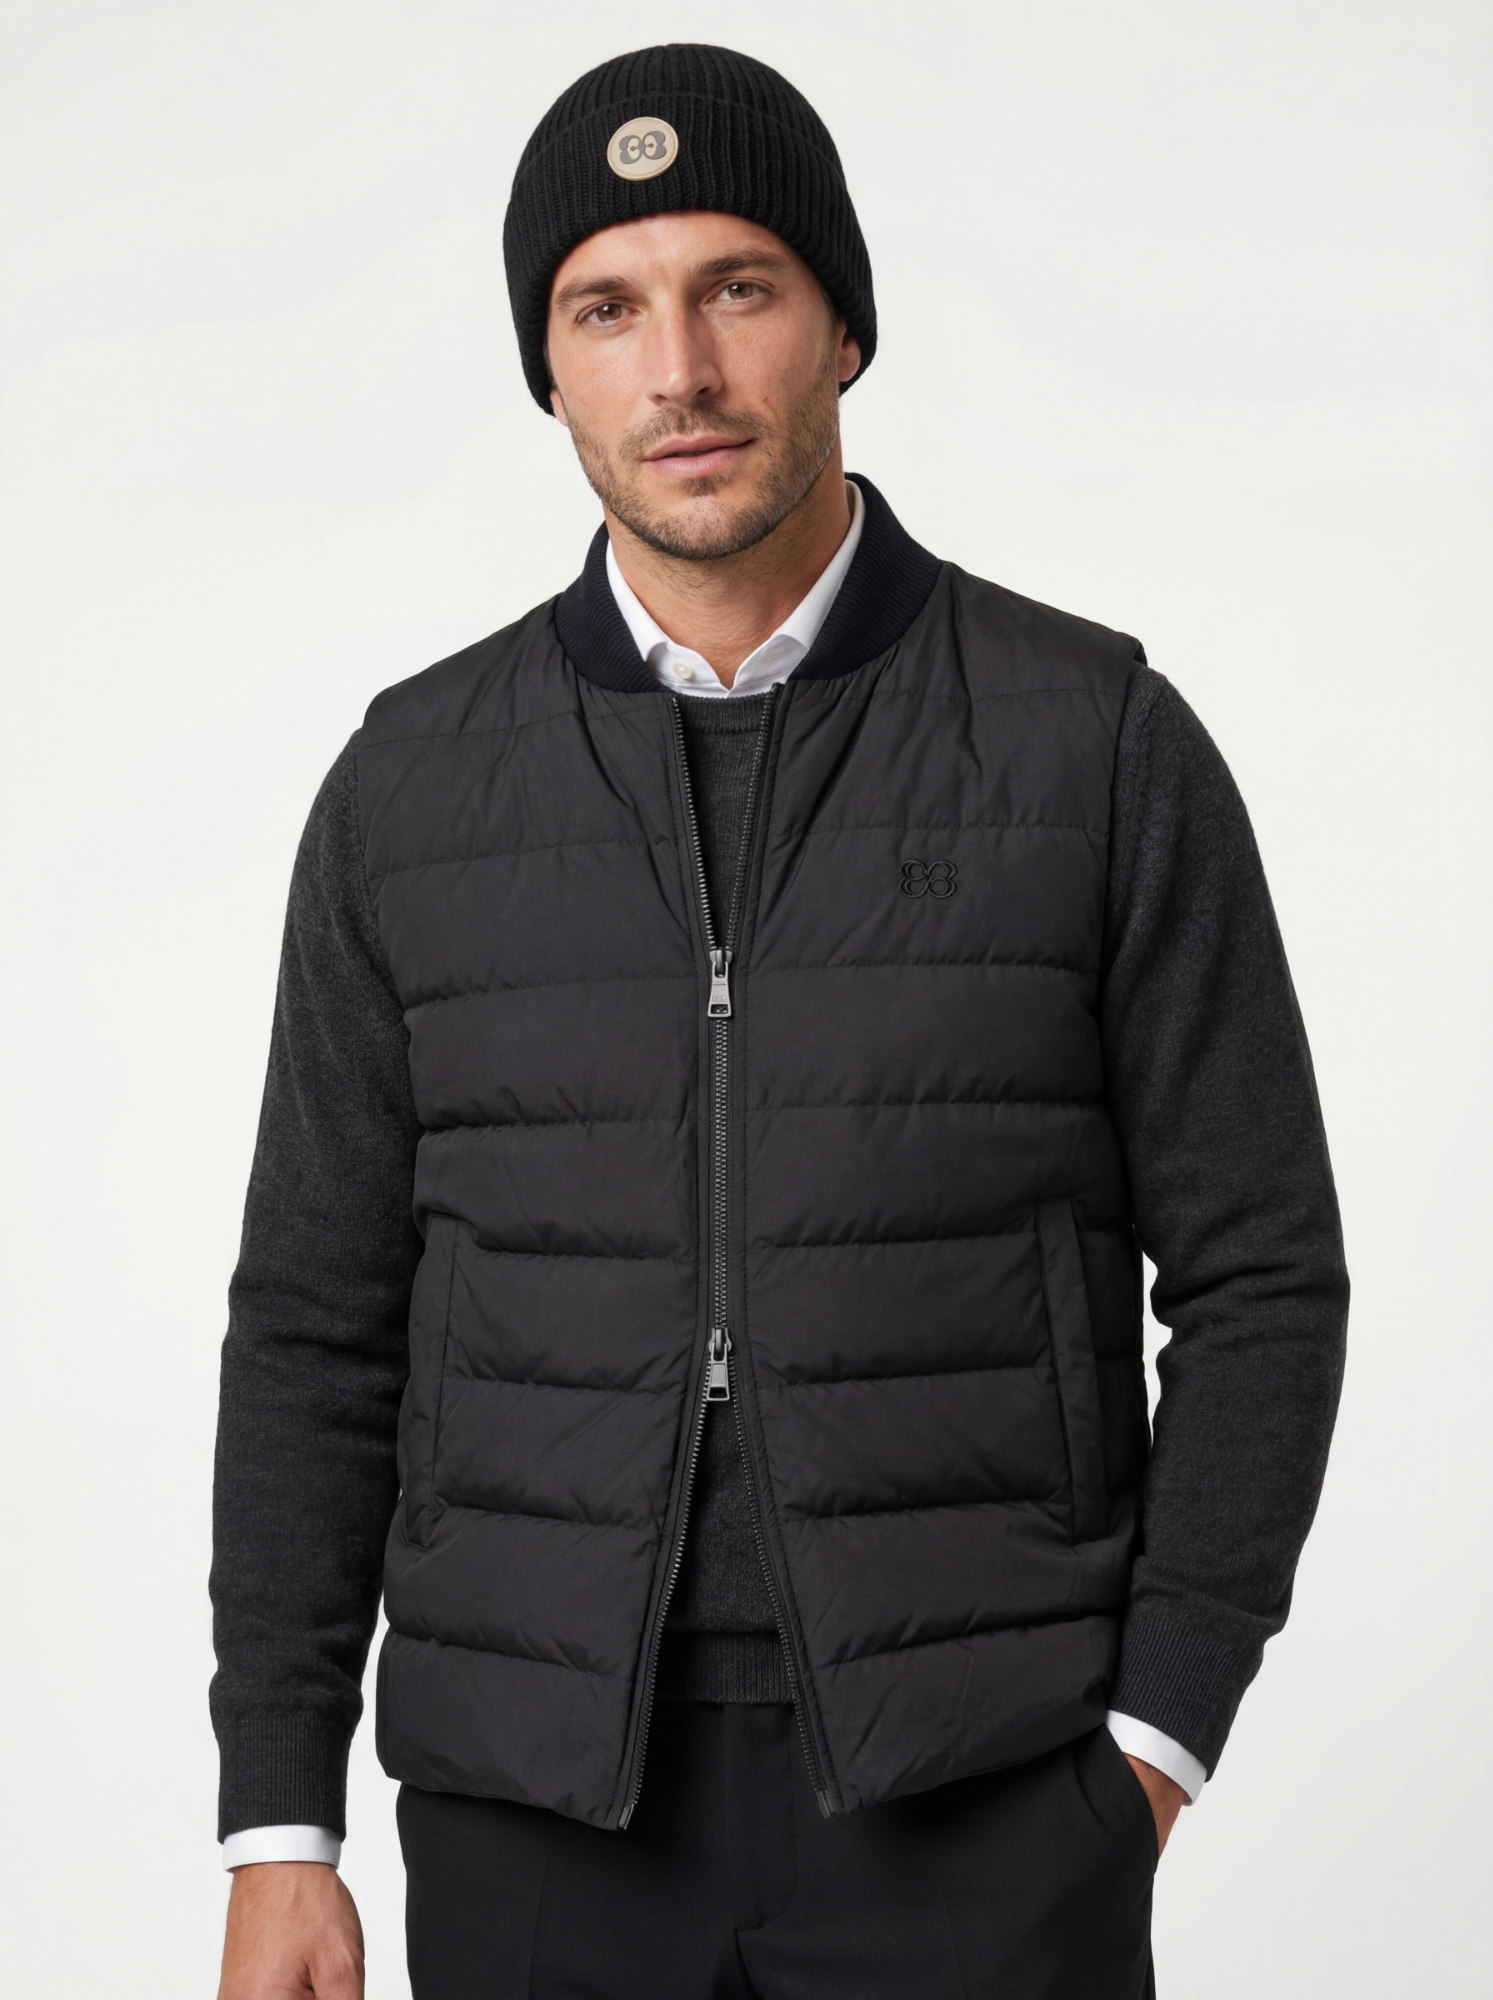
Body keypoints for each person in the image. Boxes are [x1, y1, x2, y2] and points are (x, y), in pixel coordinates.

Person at [210, 43, 1348, 2000]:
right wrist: (276, 1825)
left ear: (843, 328)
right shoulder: (410, 789)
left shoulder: (1093, 746)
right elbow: (315, 1321)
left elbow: (1261, 1272)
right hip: (534, 1813)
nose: (679, 370)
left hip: (983, 1799)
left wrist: (1155, 1736)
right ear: (548, 368)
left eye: (736, 287)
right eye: (606, 308)